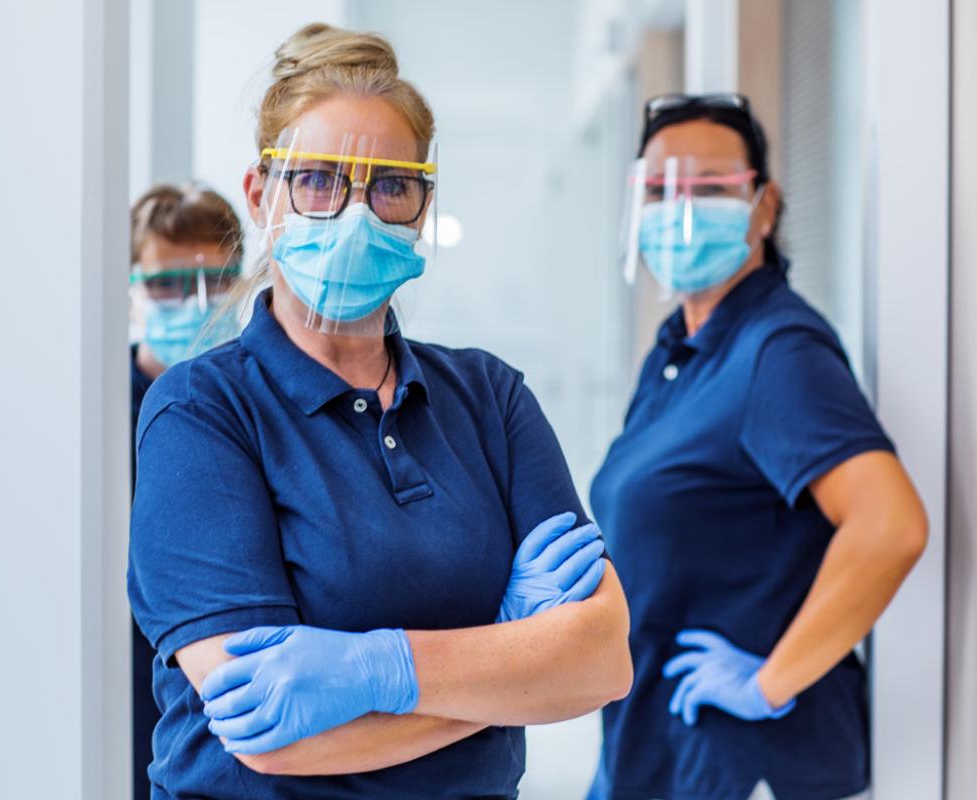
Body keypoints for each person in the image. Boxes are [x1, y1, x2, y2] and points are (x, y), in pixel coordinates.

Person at [128, 23, 632, 800]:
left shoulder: (490, 399)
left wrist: (380, 671)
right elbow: (273, 735)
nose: (356, 213)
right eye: (319, 180)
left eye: (391, 185)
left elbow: (601, 659)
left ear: (422, 207)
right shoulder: (201, 412)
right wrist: (507, 659)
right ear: (262, 195)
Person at [588, 93, 928, 800]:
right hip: (660, 747)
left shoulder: (778, 352)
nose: (678, 207)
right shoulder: (680, 350)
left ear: (764, 206)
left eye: (707, 187)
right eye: (658, 190)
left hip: (744, 759)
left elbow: (890, 526)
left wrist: (769, 682)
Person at [127, 183, 244, 800]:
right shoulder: (96, 421)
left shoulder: (250, 409)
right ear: (129, 289)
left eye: (214, 282)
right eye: (165, 285)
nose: (194, 303)